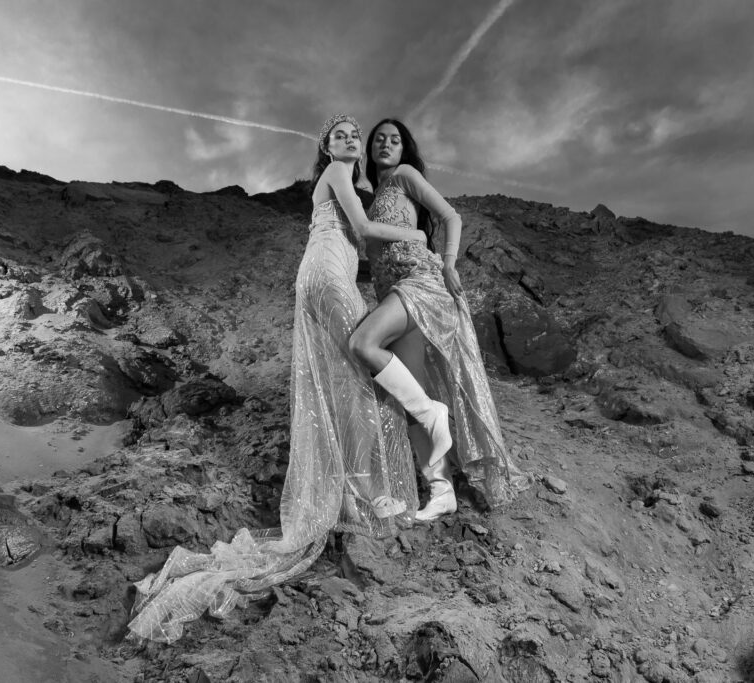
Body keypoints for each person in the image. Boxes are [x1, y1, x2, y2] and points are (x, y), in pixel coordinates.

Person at [127, 114, 428, 643]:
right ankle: (365, 496)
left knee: (348, 378)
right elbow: (362, 230)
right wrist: (416, 232)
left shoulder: (346, 179)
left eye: (355, 134)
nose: (350, 139)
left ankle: (355, 492)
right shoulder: (337, 171)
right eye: (340, 134)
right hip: (327, 275)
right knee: (361, 375)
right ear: (326, 146)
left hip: (324, 272)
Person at [349, 118, 530, 522]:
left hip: (420, 283)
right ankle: (442, 489)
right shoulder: (372, 202)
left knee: (363, 344)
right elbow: (380, 257)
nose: (385, 144)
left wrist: (449, 263)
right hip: (393, 293)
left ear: (404, 149)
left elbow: (451, 217)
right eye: (379, 140)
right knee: (408, 396)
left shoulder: (404, 176)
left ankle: (434, 413)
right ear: (369, 150)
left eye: (395, 140)